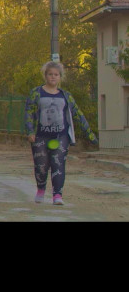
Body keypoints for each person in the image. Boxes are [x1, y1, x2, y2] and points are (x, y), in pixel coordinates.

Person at [23, 61, 98, 205]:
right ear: (45, 75)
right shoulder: (36, 93)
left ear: (60, 77)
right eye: (50, 74)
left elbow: (78, 114)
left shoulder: (66, 96)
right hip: (40, 136)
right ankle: (41, 189)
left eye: (56, 75)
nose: (53, 77)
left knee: (58, 164)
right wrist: (30, 131)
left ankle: (57, 195)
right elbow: (29, 113)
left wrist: (89, 134)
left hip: (60, 136)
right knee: (41, 165)